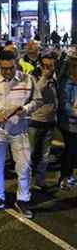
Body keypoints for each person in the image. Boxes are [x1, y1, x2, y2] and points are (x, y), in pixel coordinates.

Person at [0, 50, 42, 218]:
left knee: (24, 165)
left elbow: (37, 100)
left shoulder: (28, 79)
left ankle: (23, 199)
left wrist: (26, 109)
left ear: (17, 64)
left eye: (11, 68)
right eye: (4, 68)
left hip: (20, 129)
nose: (7, 72)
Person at [28, 52, 58, 189]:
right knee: (30, 154)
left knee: (45, 156)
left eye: (51, 66)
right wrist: (44, 78)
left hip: (50, 122)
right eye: (45, 65)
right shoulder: (34, 77)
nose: (48, 68)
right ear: (40, 65)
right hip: (35, 122)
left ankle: (40, 181)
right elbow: (36, 93)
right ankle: (26, 182)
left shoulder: (56, 77)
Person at [58, 55, 77, 190]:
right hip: (69, 123)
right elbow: (65, 105)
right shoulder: (66, 83)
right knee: (70, 150)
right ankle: (64, 177)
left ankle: (69, 176)